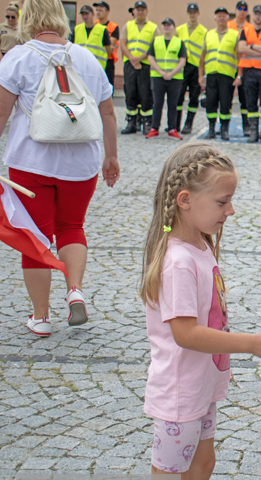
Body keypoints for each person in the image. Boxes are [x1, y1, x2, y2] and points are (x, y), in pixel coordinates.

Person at [133, 142, 261, 480]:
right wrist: (254, 344)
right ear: (185, 200)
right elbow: (186, 334)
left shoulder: (201, 245)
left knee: (202, 465)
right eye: (223, 202)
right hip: (180, 395)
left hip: (200, 388)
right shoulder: (177, 261)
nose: (231, 210)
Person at [0, 0, 119, 337]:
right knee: (72, 226)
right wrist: (110, 156)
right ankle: (75, 290)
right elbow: (108, 112)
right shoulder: (85, 58)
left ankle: (40, 317)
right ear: (59, 17)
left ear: (28, 17)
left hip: (31, 163)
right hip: (81, 164)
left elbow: (1, 113)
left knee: (34, 236)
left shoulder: (17, 58)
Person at [236, 4, 261, 144]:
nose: (258, 16)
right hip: (249, 71)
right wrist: (260, 50)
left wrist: (251, 47)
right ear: (252, 15)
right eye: (256, 13)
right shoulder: (245, 31)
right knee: (250, 103)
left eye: (260, 13)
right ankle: (254, 131)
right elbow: (241, 48)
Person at [199, 7, 240, 140]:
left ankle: (224, 130)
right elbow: (203, 56)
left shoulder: (234, 35)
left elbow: (240, 57)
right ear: (215, 18)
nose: (221, 18)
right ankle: (211, 129)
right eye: (219, 16)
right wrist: (200, 75)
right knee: (210, 103)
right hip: (211, 74)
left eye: (224, 16)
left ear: (228, 18)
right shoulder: (209, 34)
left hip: (227, 75)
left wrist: (239, 75)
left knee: (225, 103)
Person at [118, 0, 159, 135]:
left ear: (146, 11)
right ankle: (132, 122)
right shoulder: (128, 26)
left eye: (142, 10)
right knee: (130, 93)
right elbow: (123, 44)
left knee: (145, 94)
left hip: (145, 65)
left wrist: (140, 59)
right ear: (134, 11)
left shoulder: (153, 27)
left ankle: (147, 122)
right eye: (138, 9)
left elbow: (155, 46)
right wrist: (132, 59)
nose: (140, 12)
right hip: (130, 64)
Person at [146, 17, 186, 140]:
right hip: (158, 76)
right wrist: (161, 71)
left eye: (169, 25)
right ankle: (154, 128)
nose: (166, 27)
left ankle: (172, 128)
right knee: (157, 103)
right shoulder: (156, 41)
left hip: (175, 78)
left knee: (172, 104)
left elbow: (182, 60)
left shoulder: (179, 42)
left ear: (173, 27)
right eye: (164, 25)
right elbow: (150, 57)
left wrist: (172, 73)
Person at [176, 2, 206, 134]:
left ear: (198, 14)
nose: (192, 15)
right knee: (178, 97)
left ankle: (188, 124)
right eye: (190, 13)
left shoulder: (203, 31)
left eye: (194, 12)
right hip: (182, 68)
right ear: (187, 14)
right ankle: (175, 123)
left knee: (194, 97)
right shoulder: (179, 30)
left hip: (196, 67)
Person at [227, 0, 251, 136]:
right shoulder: (228, 25)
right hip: (230, 65)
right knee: (226, 98)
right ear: (235, 10)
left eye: (244, 9)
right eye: (240, 8)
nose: (242, 11)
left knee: (245, 98)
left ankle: (246, 125)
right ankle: (224, 126)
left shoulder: (250, 28)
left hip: (245, 66)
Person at [71, 5, 111, 71]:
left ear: (93, 14)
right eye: (83, 14)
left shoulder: (102, 30)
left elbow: (108, 49)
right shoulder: (77, 29)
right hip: (80, 66)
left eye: (87, 14)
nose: (84, 16)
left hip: (97, 67)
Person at [93, 1, 119, 87]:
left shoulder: (113, 26)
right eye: (96, 10)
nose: (98, 12)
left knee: (108, 85)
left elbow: (110, 45)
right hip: (94, 59)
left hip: (108, 60)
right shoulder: (93, 25)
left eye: (100, 10)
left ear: (107, 12)